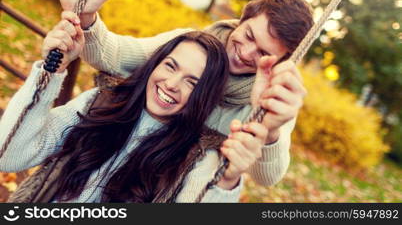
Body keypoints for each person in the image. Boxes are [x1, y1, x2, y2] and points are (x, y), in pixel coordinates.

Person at [54, 0, 313, 186]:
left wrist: (269, 131)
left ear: (280, 61)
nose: (246, 53)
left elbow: (268, 178)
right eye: (247, 35)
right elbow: (113, 56)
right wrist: (86, 17)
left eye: (263, 52)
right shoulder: (189, 45)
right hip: (123, 169)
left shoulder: (271, 99)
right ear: (242, 19)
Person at [0, 17, 268, 202]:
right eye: (170, 66)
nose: (172, 84)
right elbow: (9, 155)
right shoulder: (100, 103)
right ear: (155, 64)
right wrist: (50, 72)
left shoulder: (198, 161)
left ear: (203, 97)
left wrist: (227, 182)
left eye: (191, 83)